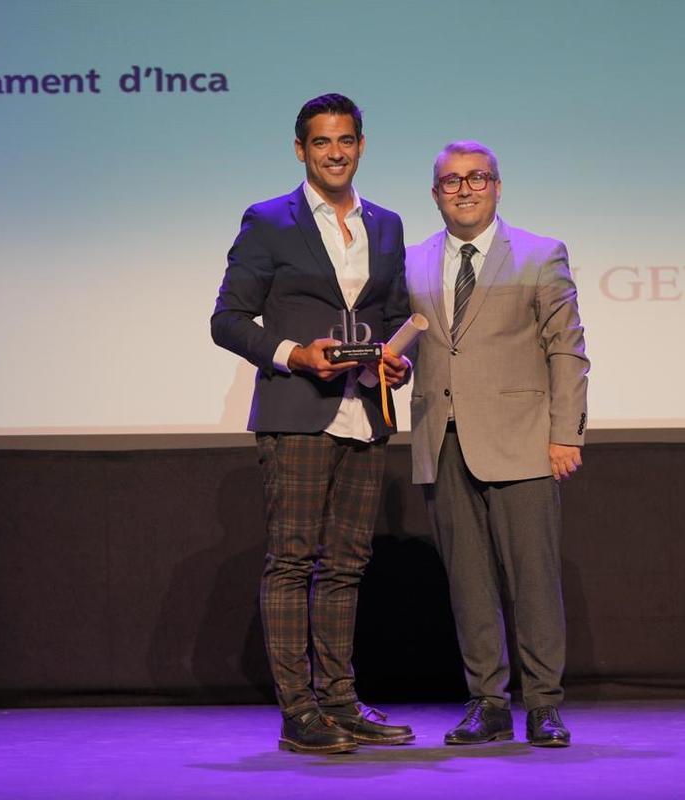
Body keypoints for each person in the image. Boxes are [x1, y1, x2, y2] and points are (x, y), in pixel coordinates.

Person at [211, 93, 413, 754]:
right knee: (293, 561)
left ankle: (340, 701)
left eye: (346, 140)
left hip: (365, 415)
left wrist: (392, 361)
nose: (335, 152)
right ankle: (298, 711)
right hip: (297, 412)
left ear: (361, 144)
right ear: (301, 149)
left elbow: (386, 318)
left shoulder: (386, 224)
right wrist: (294, 354)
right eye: (322, 142)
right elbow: (228, 320)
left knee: (348, 564)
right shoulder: (269, 221)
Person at [405, 141, 589, 747]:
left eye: (476, 178)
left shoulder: (540, 254)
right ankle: (487, 702)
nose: (464, 189)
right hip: (443, 439)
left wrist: (565, 433)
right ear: (436, 194)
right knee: (469, 581)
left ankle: (543, 705)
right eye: (451, 181)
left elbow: (567, 349)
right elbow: (405, 347)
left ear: (497, 186)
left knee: (533, 577)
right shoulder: (411, 261)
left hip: (522, 441)